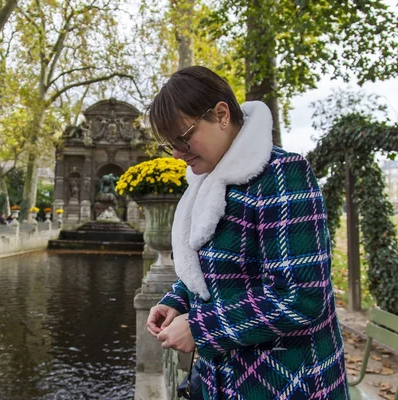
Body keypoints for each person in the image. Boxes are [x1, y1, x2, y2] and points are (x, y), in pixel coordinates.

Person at [146, 66, 348, 399]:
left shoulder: (282, 173)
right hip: (221, 382)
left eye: (183, 138)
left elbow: (302, 296)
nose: (178, 154)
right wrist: (177, 298)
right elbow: (216, 268)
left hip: (286, 383)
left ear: (221, 114)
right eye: (171, 145)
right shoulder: (207, 183)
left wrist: (200, 327)